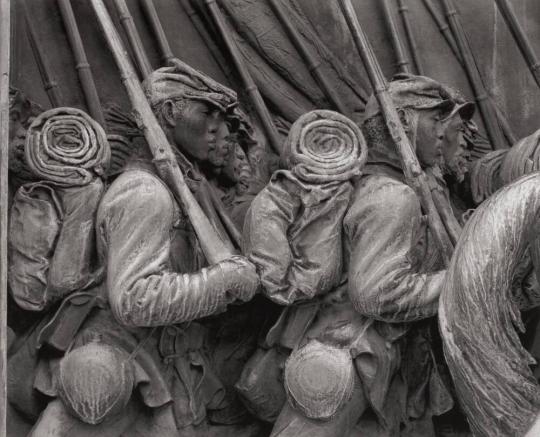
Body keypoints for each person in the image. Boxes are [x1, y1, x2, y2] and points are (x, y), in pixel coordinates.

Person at [14, 60, 262, 437]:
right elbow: (135, 299)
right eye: (205, 112)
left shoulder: (179, 190)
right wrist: (220, 281)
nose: (218, 126)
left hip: (158, 362)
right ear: (166, 115)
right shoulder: (145, 193)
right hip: (117, 367)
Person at [266, 74, 475, 437]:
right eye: (435, 119)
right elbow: (379, 295)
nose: (443, 133)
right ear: (404, 122)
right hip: (349, 362)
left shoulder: (390, 187)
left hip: (373, 364)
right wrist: (465, 281)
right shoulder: (391, 197)